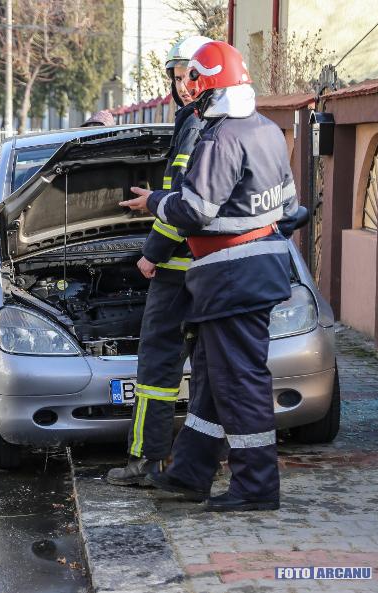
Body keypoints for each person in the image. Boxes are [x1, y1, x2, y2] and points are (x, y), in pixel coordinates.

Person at [120, 41, 297, 512]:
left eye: (191, 80)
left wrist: (153, 202)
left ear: (206, 85)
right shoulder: (267, 131)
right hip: (258, 269)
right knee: (217, 382)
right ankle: (190, 475)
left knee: (239, 383)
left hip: (231, 279)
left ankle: (256, 488)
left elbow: (194, 210)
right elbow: (293, 209)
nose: (186, 89)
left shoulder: (221, 138)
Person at [106, 36, 212, 486]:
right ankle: (201, 460)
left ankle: (147, 461)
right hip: (211, 270)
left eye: (190, 73)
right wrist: (152, 202)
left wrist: (151, 254)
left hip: (176, 271)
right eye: (176, 75)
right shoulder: (213, 121)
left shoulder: (194, 124)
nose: (183, 84)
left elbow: (184, 203)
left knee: (156, 370)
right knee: (209, 370)